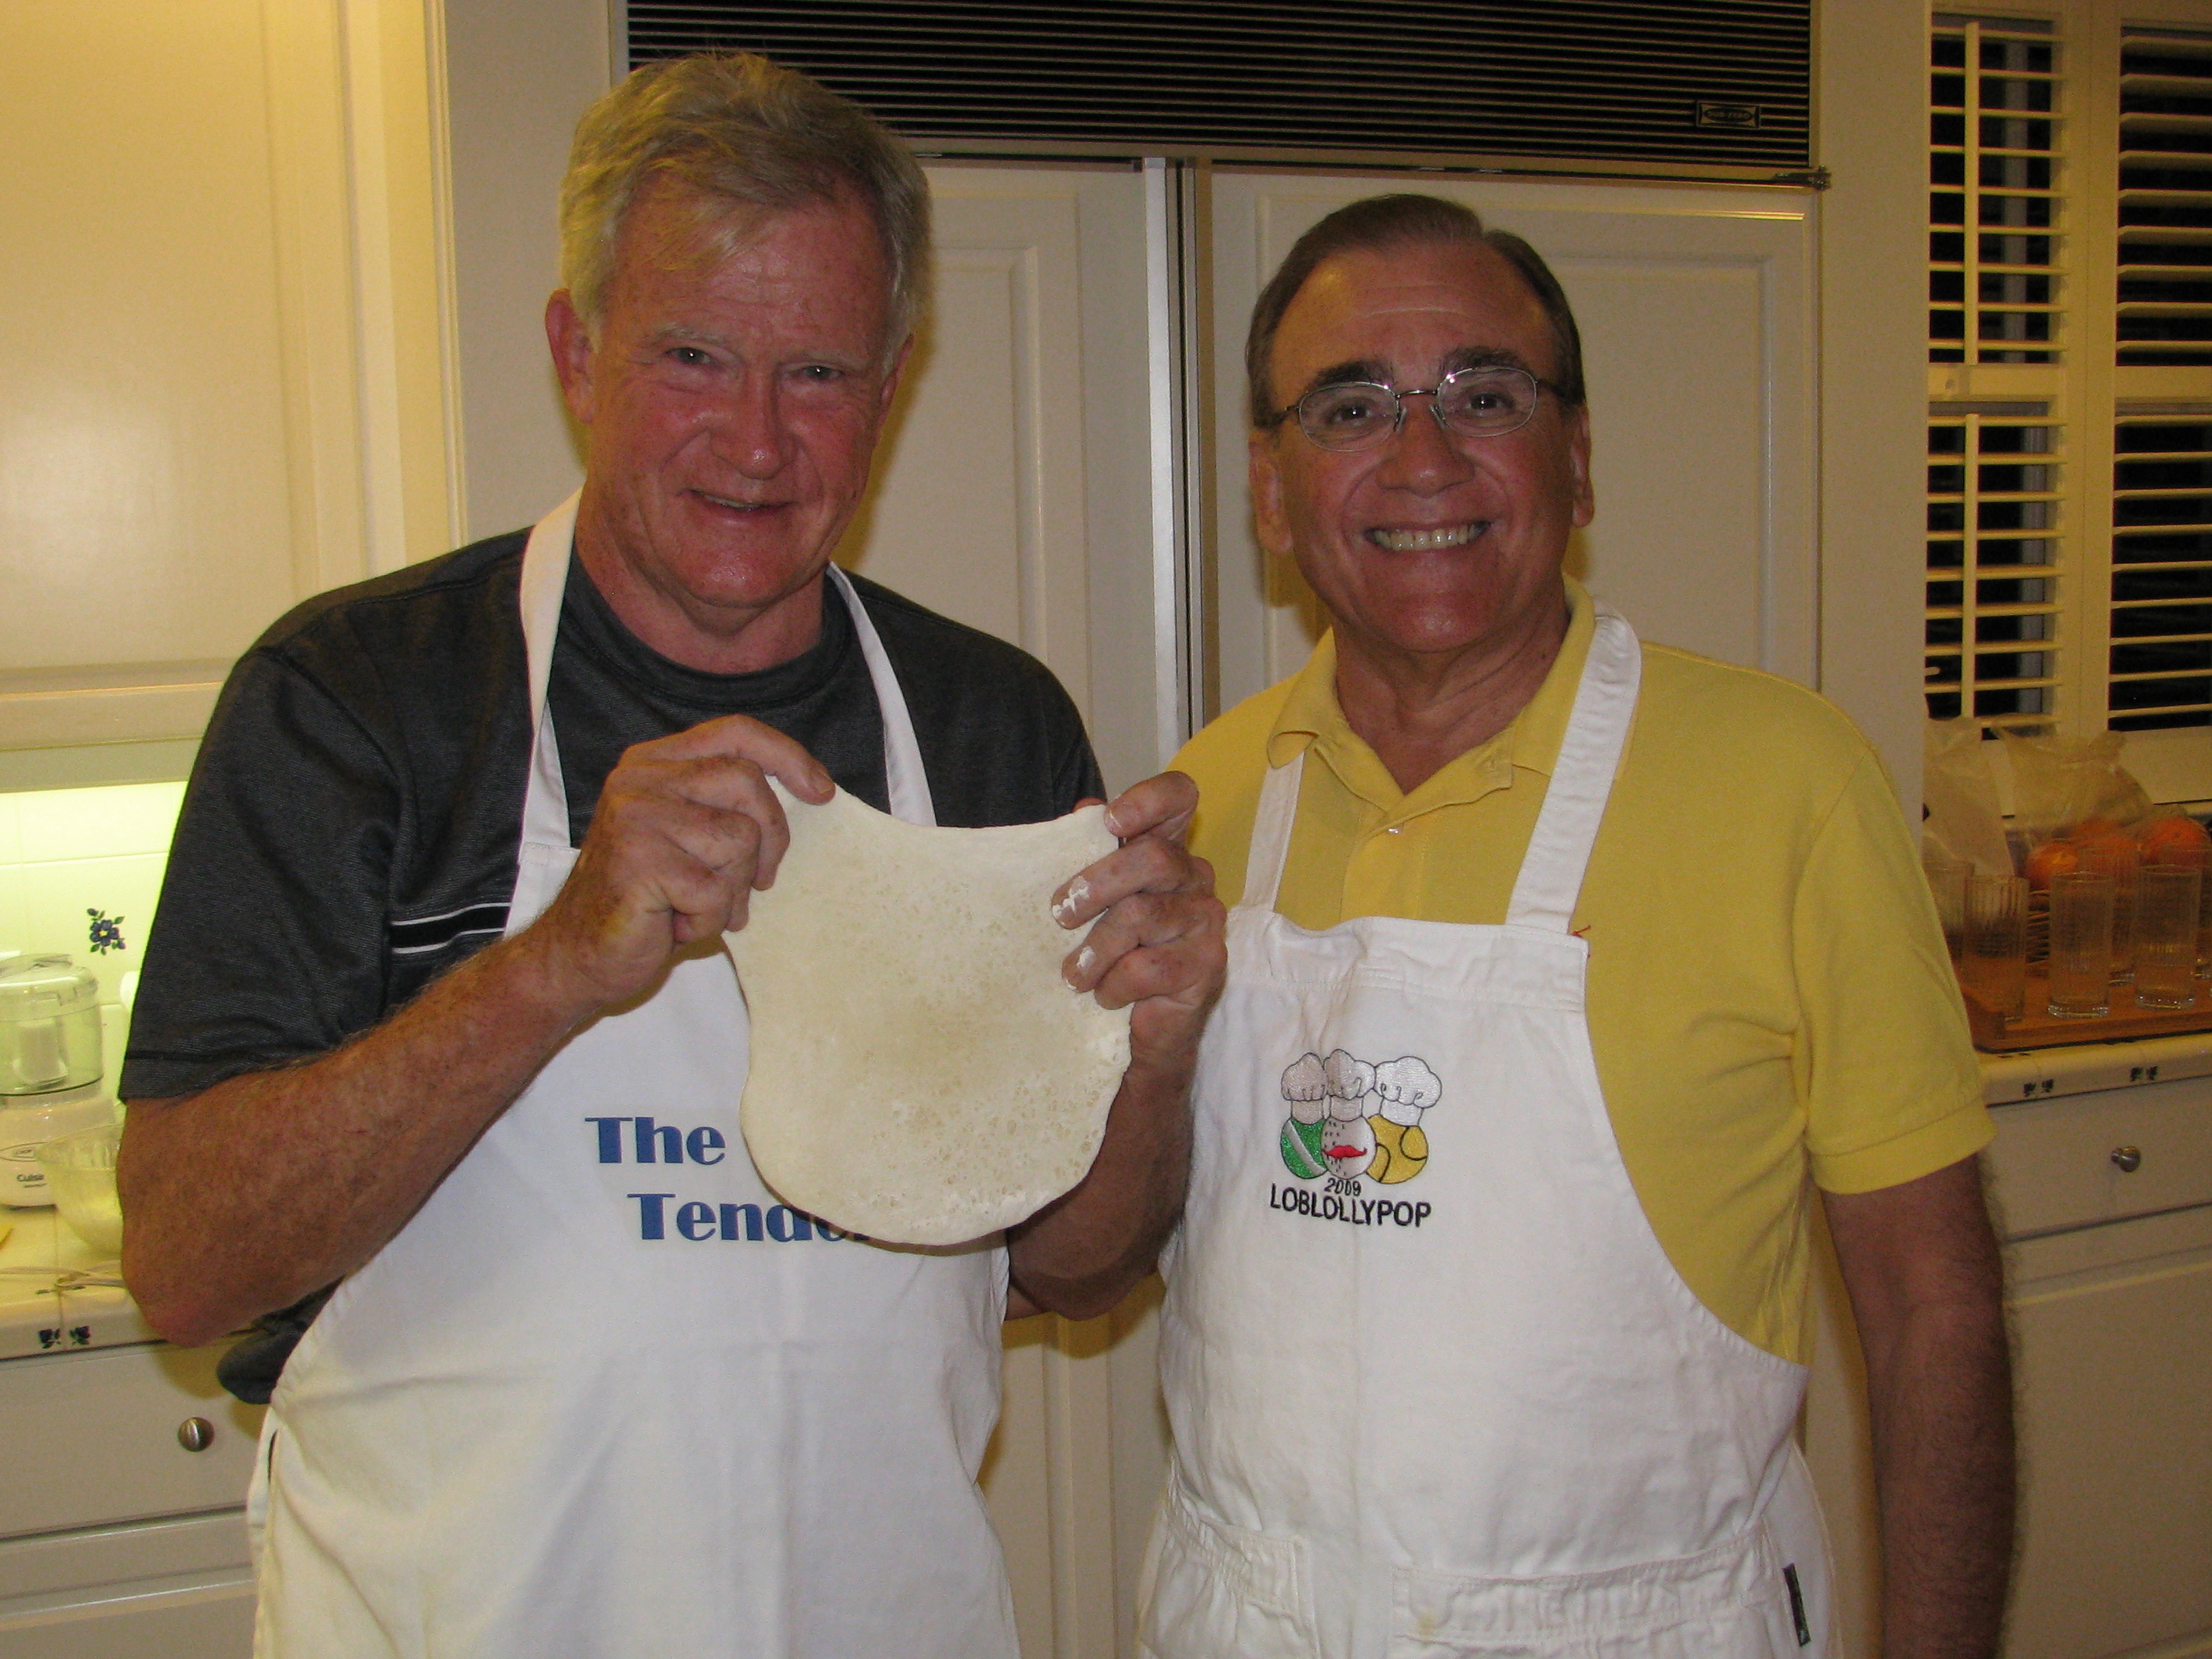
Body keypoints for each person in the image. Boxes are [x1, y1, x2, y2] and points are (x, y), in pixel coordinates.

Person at [116, 53, 1221, 1657]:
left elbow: (1072, 1263)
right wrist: (554, 966)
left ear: (894, 380)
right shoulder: (362, 701)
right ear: (578, 352)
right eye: (693, 355)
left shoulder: (988, 727)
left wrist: (1158, 1056)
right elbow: (186, 1264)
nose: (757, 441)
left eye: (819, 371)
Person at [1145, 195, 2011, 1659]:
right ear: (1270, 494)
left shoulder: (1785, 784)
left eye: (1485, 395)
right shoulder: (1208, 801)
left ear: (1581, 457)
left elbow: (1936, 1307)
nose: (1424, 457)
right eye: (1351, 407)